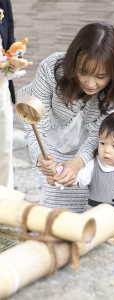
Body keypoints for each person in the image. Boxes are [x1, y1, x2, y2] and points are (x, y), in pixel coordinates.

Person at [17, 23, 114, 212]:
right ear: (73, 62)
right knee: (54, 201)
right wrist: (41, 156)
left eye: (101, 76)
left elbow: (102, 133)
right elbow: (36, 124)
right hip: (52, 141)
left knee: (90, 202)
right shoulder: (52, 69)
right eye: (83, 72)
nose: (91, 83)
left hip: (94, 144)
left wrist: (79, 161)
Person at [0, 0, 19, 189]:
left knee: (4, 150)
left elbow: (9, 39)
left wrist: (14, 58)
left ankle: (4, 205)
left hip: (1, 86)